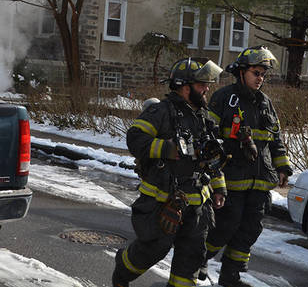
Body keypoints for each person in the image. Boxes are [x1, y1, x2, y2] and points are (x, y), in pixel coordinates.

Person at [112, 57, 227, 287]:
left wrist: (219, 187)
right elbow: (135, 139)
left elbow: (210, 158)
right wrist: (168, 149)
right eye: (201, 85)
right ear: (185, 87)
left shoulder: (203, 118)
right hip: (163, 200)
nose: (207, 89)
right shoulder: (161, 111)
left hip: (197, 205)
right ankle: (122, 272)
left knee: (191, 259)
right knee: (154, 248)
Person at [201, 46, 292, 286]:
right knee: (225, 225)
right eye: (256, 73)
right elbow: (208, 134)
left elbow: (275, 139)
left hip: (260, 180)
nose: (260, 78)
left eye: (263, 74)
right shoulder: (224, 98)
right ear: (241, 72)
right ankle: (199, 260)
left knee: (250, 229)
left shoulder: (265, 103)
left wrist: (282, 167)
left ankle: (230, 276)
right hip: (231, 178)